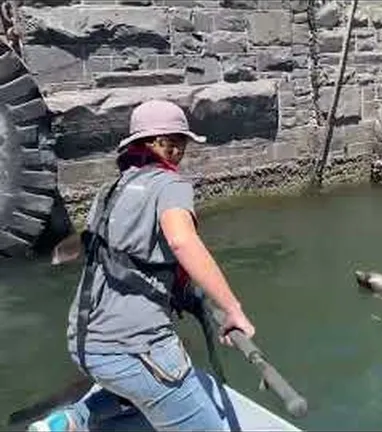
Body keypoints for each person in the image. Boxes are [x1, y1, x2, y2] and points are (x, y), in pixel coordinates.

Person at [29, 99, 255, 431]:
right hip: (133, 348)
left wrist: (185, 294)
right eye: (174, 141)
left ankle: (71, 420)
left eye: (182, 141)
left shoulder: (110, 190)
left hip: (84, 342)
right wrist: (232, 308)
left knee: (134, 390)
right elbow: (182, 241)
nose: (180, 149)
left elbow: (111, 254)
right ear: (156, 144)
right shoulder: (170, 186)